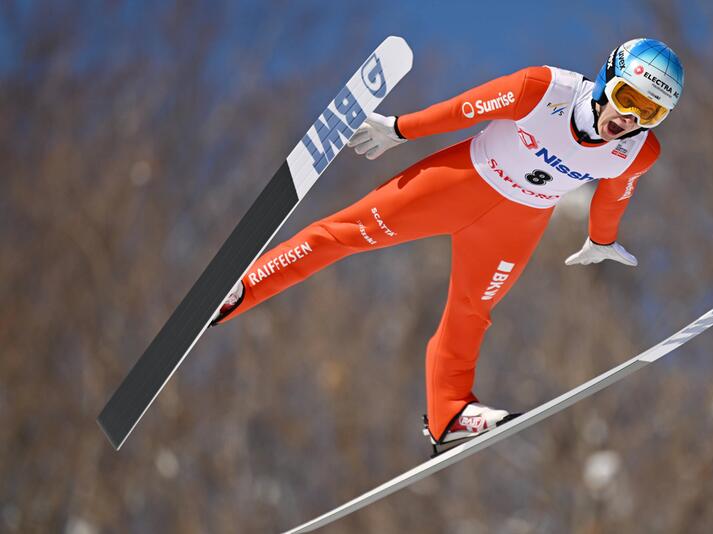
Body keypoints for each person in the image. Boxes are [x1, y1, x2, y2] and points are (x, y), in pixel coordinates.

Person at [212, 38, 685, 455]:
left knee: (471, 312)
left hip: (516, 223)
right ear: (607, 78)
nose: (629, 118)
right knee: (345, 233)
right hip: (458, 183)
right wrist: (400, 128)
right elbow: (467, 107)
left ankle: (450, 415)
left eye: (650, 112)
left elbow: (615, 194)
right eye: (627, 98)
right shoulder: (545, 89)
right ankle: (243, 289)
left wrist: (602, 241)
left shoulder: (639, 151)